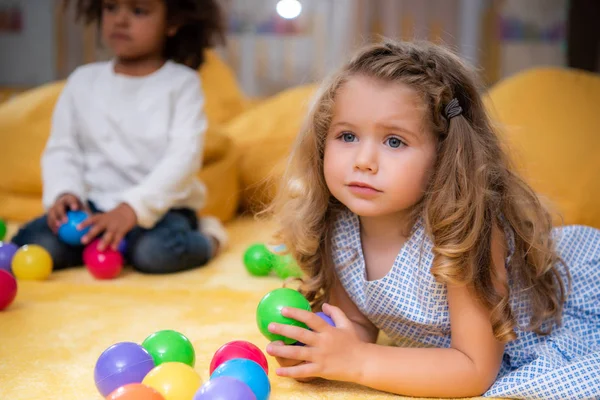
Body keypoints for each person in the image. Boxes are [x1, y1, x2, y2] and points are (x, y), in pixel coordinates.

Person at [264, 40, 600, 399]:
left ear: (445, 156)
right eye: (347, 135)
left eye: (394, 142)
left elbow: (473, 369)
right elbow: (360, 324)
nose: (363, 160)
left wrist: (358, 361)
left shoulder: (467, 232)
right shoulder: (340, 224)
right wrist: (328, 352)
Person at [12, 0, 229, 274]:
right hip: (94, 206)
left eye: (138, 11)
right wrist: (65, 192)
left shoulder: (182, 84)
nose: (120, 20)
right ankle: (107, 242)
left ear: (172, 23)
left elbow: (183, 159)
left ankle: (209, 237)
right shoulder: (82, 81)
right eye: (111, 7)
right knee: (34, 243)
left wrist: (131, 209)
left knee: (153, 253)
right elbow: (62, 148)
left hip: (160, 208)